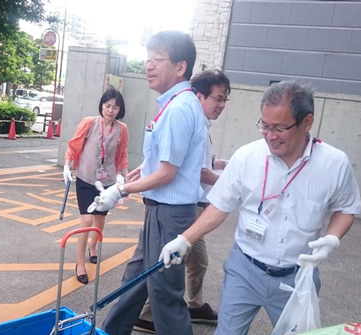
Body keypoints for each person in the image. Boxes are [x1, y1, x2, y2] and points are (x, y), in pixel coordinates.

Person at [159, 81, 361, 335]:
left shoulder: (334, 163)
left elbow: (346, 207)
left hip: (297, 278)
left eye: (279, 127)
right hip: (245, 270)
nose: (270, 135)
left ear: (307, 122)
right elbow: (219, 206)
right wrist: (186, 239)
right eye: (265, 126)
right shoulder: (247, 157)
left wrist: (332, 238)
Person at [89, 30, 205, 335]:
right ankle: (109, 332)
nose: (148, 66)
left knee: (165, 294)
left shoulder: (180, 108)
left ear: (180, 67)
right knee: (135, 281)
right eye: (147, 59)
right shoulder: (171, 103)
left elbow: (168, 174)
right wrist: (140, 171)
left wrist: (120, 189)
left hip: (170, 214)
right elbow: (162, 162)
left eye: (157, 60)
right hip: (159, 212)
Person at [134, 69, 231, 333]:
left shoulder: (193, 118)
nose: (221, 105)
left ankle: (146, 315)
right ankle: (157, 314)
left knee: (154, 269)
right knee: (167, 276)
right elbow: (186, 170)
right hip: (179, 210)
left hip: (182, 209)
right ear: (198, 95)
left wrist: (225, 166)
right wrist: (125, 188)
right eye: (217, 99)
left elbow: (199, 164)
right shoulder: (184, 114)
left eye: (224, 100)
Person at [63, 87, 129, 285]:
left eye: (115, 107)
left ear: (120, 110)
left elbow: (123, 154)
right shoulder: (90, 123)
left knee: (99, 220)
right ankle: (80, 264)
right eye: (107, 106)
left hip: (107, 182)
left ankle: (93, 247)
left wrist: (126, 177)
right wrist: (67, 166)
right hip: (85, 178)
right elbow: (73, 145)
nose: (110, 110)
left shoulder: (122, 129)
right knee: (86, 221)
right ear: (102, 105)